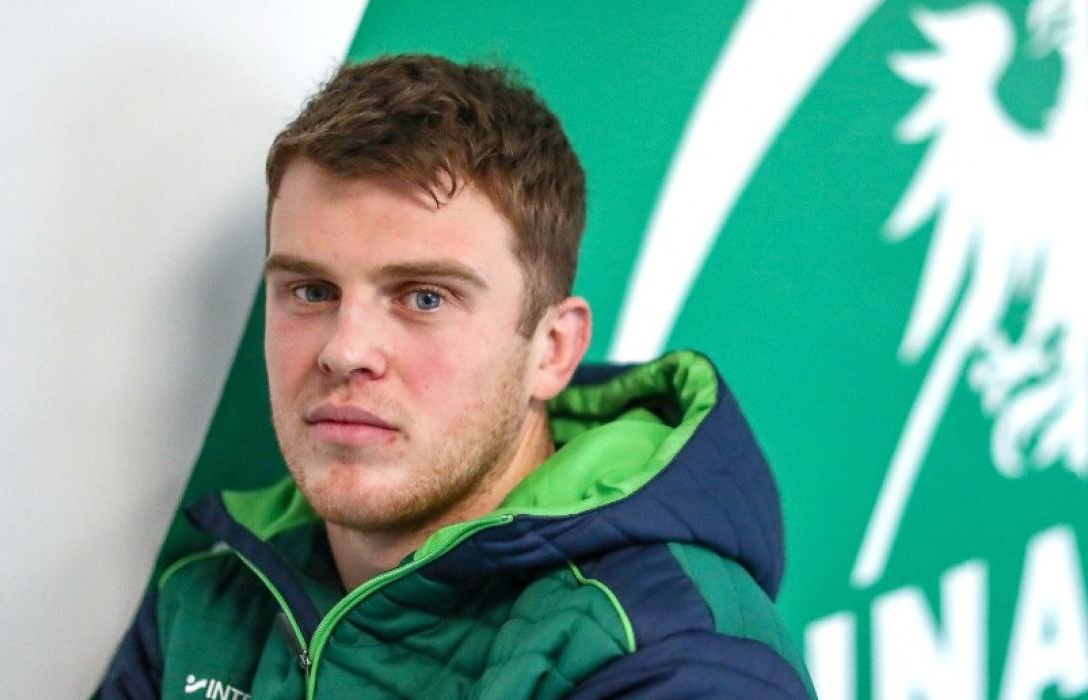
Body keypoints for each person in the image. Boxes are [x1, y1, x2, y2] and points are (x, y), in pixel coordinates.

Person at [97, 54, 815, 699]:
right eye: (311, 291)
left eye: (424, 298)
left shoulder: (672, 651)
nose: (345, 350)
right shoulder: (207, 604)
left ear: (552, 350)